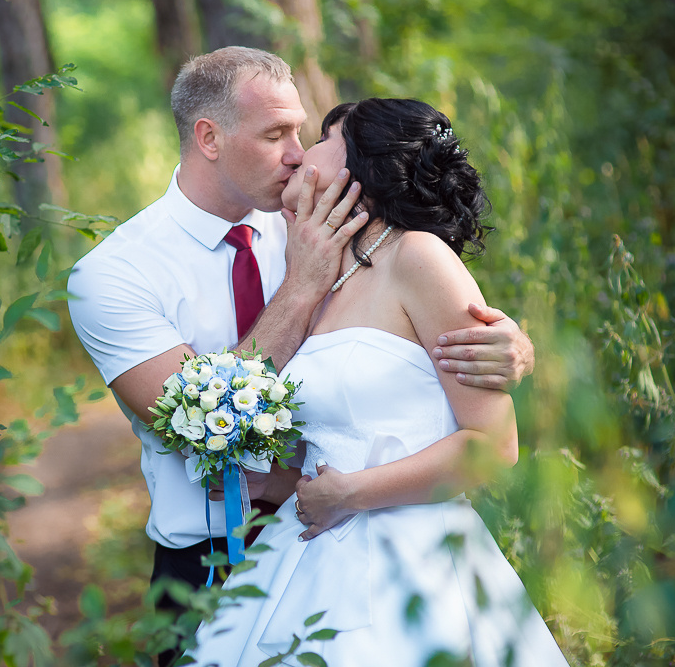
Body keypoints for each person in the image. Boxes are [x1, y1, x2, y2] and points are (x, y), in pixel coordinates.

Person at [66, 48, 535, 664]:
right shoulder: (115, 275)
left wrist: (512, 346)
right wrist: (302, 284)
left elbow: (414, 338)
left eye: (303, 131)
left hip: (348, 535)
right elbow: (199, 429)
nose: (295, 153)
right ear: (209, 138)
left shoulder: (326, 221)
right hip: (207, 559)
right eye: (274, 133)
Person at [186, 98, 569, 666]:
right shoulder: (317, 275)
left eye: (319, 137)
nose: (297, 155)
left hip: (411, 555)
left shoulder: (418, 257)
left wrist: (349, 494)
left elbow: (495, 447)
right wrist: (271, 479)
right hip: (306, 548)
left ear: (358, 167)